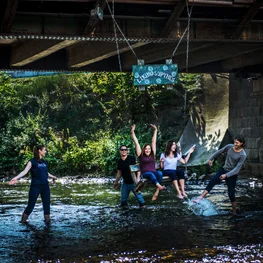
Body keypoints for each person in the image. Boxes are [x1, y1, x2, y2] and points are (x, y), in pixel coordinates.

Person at [194, 135, 247, 216]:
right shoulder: (229, 147)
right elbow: (219, 151)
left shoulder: (243, 155)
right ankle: (200, 198)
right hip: (223, 170)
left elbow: (237, 169)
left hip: (232, 174)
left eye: (237, 142)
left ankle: (234, 212)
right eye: (234, 142)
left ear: (241, 143)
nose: (235, 144)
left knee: (231, 194)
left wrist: (226, 175)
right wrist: (211, 159)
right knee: (212, 181)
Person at [9, 145, 57, 224]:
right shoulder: (32, 161)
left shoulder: (44, 162)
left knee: (47, 207)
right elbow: (25, 171)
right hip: (35, 187)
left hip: (45, 186)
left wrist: (53, 177)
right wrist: (16, 178)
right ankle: (22, 222)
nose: (45, 151)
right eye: (44, 150)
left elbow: (45, 172)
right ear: (39, 151)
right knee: (30, 206)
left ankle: (48, 226)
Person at [131, 124, 165, 201]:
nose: (147, 150)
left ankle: (157, 191)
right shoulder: (141, 155)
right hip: (145, 174)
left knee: (159, 173)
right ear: (144, 150)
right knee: (150, 174)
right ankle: (159, 186)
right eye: (146, 149)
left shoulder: (153, 155)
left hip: (153, 172)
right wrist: (133, 132)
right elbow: (136, 143)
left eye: (149, 149)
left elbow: (153, 141)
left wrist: (155, 130)